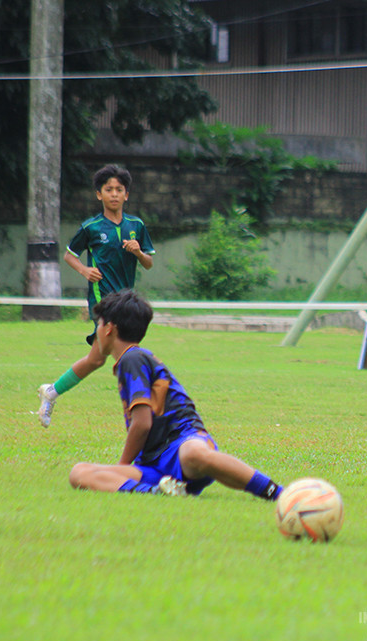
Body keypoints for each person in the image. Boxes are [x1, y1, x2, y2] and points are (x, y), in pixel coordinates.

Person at [67, 289, 283, 501]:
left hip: (182, 443)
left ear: (109, 329)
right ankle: (159, 491)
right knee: (79, 472)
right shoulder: (131, 359)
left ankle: (279, 493)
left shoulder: (132, 359)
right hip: (154, 467)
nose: (97, 331)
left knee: (195, 454)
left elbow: (142, 423)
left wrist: (121, 467)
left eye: (99, 324)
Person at [37, 164, 155, 428]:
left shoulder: (136, 225)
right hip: (103, 302)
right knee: (127, 353)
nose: (114, 194)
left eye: (119, 189)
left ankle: (51, 391)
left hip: (127, 301)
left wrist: (138, 252)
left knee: (96, 359)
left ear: (126, 195)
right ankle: (141, 413)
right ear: (99, 194)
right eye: (108, 189)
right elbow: (70, 255)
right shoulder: (91, 227)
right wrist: (84, 270)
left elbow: (148, 263)